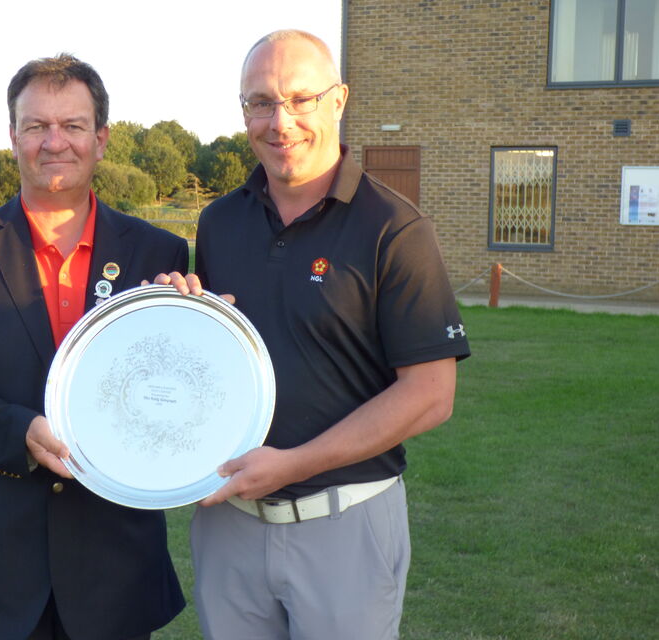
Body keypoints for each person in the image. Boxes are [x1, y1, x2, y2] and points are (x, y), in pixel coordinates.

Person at [154, 30, 471, 639]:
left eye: (301, 99)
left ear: (339, 100)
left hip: (343, 522)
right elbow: (221, 358)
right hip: (230, 523)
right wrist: (176, 315)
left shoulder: (395, 229)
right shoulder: (220, 221)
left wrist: (293, 464)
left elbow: (432, 393)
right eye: (261, 102)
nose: (281, 122)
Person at [0, 55, 186, 640]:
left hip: (114, 566)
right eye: (37, 126)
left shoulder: (160, 253)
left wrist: (193, 317)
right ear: (13, 137)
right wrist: (18, 431)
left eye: (73, 126)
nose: (56, 142)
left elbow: (177, 391)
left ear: (100, 140)